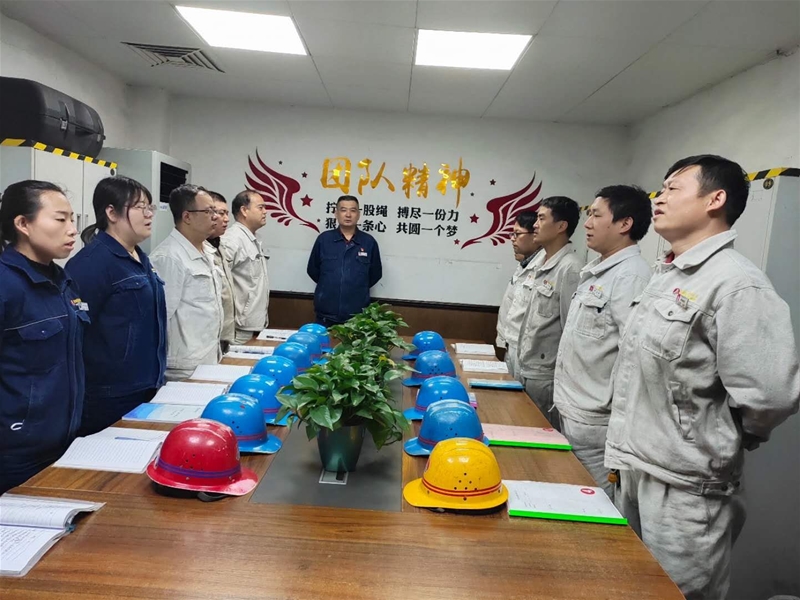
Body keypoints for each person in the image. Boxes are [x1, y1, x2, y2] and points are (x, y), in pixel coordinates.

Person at [605, 155, 800, 600]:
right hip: (635, 466)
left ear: (716, 199)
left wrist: (720, 434)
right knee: (628, 588)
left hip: (688, 488)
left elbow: (771, 395)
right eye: (660, 188)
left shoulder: (736, 284)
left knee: (679, 593)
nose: (659, 198)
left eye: (673, 188)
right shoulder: (668, 274)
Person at [552, 185, 652, 498]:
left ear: (625, 224)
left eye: (596, 215)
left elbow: (634, 357)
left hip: (599, 425)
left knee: (597, 508)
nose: (588, 223)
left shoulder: (631, 277)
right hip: (575, 412)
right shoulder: (599, 270)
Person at [0, 180, 88, 493]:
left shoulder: (62, 281)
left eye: (72, 219)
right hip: (16, 453)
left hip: (64, 440)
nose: (72, 229)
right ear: (23, 224)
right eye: (60, 219)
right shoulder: (6, 285)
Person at [66, 176, 167, 435]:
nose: (149, 214)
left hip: (146, 386)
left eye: (150, 207)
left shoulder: (140, 257)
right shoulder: (91, 263)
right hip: (108, 396)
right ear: (111, 213)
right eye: (140, 207)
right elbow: (76, 334)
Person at [516, 196, 583, 430]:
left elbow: (569, 329)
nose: (535, 225)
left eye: (541, 219)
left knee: (540, 435)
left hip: (547, 377)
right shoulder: (542, 262)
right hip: (528, 367)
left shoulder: (570, 268)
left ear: (561, 226)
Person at [150, 185, 223, 381]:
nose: (215, 216)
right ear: (187, 216)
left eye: (215, 210)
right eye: (208, 211)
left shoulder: (207, 251)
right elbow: (160, 318)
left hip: (209, 359)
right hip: (183, 369)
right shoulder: (169, 257)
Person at [307, 195, 382, 325]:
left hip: (357, 317)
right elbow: (313, 270)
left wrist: (354, 287)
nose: (348, 215)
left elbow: (375, 274)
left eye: (353, 210)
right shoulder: (324, 240)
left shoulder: (369, 242)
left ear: (358, 214)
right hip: (325, 315)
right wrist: (329, 286)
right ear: (336, 213)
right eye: (343, 210)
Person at [495, 211, 541, 380]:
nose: (512, 239)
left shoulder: (542, 267)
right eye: (512, 234)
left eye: (517, 234)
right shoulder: (524, 264)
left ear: (534, 235)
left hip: (527, 351)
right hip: (511, 344)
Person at [220, 190, 270, 344]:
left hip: (254, 326)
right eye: (260, 207)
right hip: (238, 329)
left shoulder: (252, 238)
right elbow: (220, 282)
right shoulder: (232, 239)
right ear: (244, 210)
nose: (265, 211)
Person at [205, 191, 235, 352]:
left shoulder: (219, 244)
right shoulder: (200, 248)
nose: (226, 219)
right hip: (207, 339)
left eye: (227, 213)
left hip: (225, 334)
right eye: (221, 213)